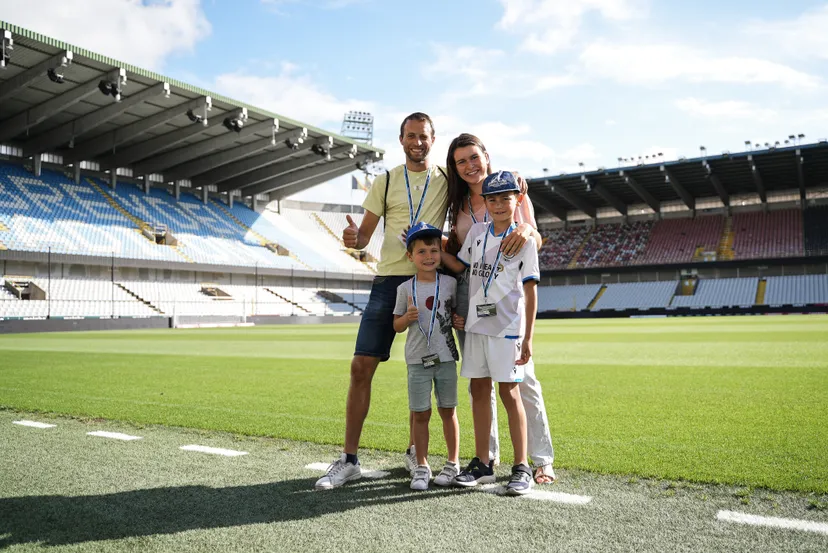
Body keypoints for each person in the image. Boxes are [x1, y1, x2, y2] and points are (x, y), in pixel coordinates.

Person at [315, 112, 449, 490]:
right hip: (389, 279)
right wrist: (352, 237)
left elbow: (477, 185)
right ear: (401, 139)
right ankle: (349, 459)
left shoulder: (445, 179)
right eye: (410, 136)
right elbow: (362, 239)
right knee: (361, 367)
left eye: (423, 136)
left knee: (422, 370)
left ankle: (414, 452)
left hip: (430, 280)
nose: (417, 142)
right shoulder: (386, 180)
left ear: (432, 139)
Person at [444, 133, 556, 485]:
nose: (469, 166)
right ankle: (485, 458)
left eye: (473, 157)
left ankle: (537, 461)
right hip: (474, 305)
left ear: (486, 156)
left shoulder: (513, 189)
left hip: (508, 312)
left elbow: (533, 238)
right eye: (461, 161)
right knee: (479, 385)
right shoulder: (457, 203)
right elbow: (461, 259)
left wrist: (524, 227)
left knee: (522, 385)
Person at [392, 222, 464, 490]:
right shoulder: (404, 289)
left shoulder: (450, 283)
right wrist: (406, 319)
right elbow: (396, 326)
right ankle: (421, 466)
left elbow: (456, 312)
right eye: (421, 252)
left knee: (449, 411)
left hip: (445, 358)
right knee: (420, 414)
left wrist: (458, 320)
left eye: (434, 250)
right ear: (410, 256)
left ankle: (452, 463)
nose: (429, 256)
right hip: (416, 360)